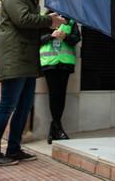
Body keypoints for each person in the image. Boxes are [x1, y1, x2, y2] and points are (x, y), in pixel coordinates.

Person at [0, 0, 66, 167]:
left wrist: (51, 33)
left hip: (27, 61)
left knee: (24, 107)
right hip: (15, 60)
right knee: (7, 107)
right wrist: (48, 20)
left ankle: (14, 149)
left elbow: (31, 31)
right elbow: (22, 19)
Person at [40, 13, 81, 144]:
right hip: (49, 63)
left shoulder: (71, 21)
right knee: (54, 95)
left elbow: (76, 39)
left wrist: (65, 36)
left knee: (61, 95)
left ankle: (55, 128)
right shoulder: (44, 19)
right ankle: (57, 128)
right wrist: (50, 36)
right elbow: (36, 39)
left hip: (65, 63)